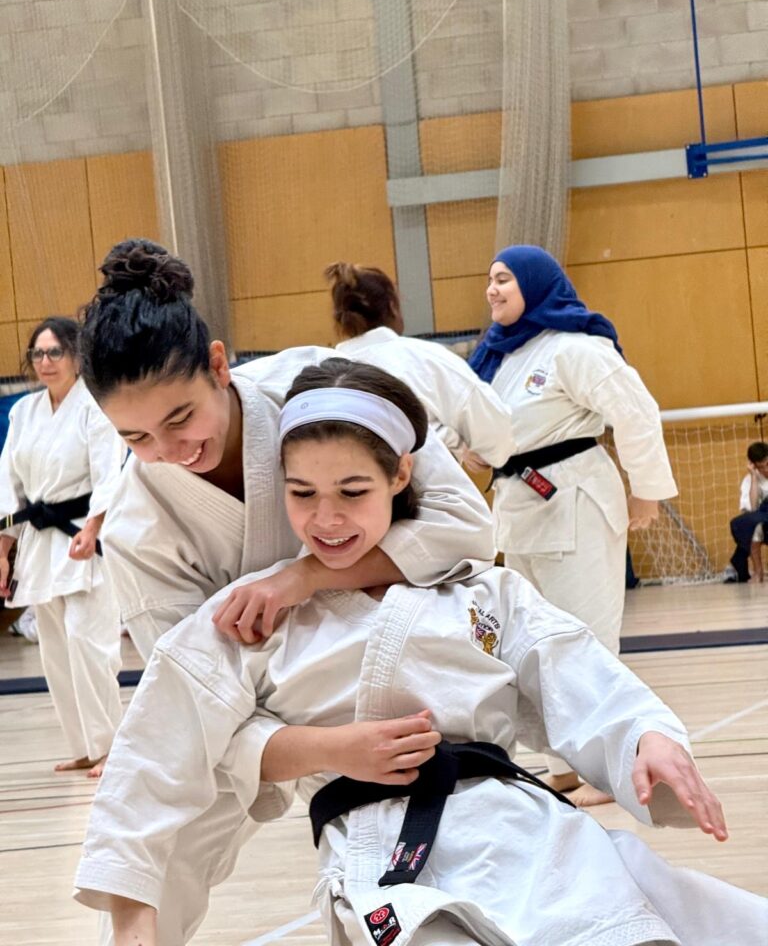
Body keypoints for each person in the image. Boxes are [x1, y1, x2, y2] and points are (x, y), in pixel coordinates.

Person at [74, 358, 767, 946]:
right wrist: (135, 921)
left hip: (526, 831)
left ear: (401, 475)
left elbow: (571, 668)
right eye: (301, 493)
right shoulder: (253, 616)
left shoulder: (480, 591)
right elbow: (158, 749)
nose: (325, 519)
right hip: (384, 854)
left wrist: (646, 737)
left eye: (352, 492)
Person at [76, 240, 497, 940]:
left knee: (464, 853)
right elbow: (194, 703)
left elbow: (465, 526)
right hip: (256, 706)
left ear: (218, 365)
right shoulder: (136, 524)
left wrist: (305, 575)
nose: (170, 450)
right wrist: (328, 749)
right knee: (161, 843)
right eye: (136, 437)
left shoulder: (320, 393)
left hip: (393, 657)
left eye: (180, 418)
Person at [465, 245, 678, 806]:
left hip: (577, 501)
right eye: (490, 280)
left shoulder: (575, 347)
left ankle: (610, 769)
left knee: (587, 641)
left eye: (504, 279)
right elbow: (478, 427)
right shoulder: (497, 356)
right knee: (533, 645)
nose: (492, 289)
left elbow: (636, 410)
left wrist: (646, 491)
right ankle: (564, 766)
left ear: (534, 283)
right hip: (519, 509)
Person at [0, 318, 124, 776]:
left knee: (89, 643)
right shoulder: (23, 411)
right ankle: (86, 746)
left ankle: (112, 746)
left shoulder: (96, 406)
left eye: (55, 352)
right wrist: (3, 547)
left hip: (82, 535)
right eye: (38, 353)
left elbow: (110, 473)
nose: (46, 362)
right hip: (38, 540)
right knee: (55, 650)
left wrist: (94, 527)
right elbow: (8, 482)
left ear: (76, 356)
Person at [326, 261, 516, 465]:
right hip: (423, 483)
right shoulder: (425, 359)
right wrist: (457, 443)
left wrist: (448, 438)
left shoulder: (323, 374)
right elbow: (496, 435)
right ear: (393, 307)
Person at [728, 441, 768, 583]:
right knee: (747, 524)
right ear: (754, 466)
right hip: (763, 524)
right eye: (761, 467)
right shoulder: (749, 481)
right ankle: (758, 572)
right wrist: (754, 477)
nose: (766, 470)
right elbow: (753, 510)